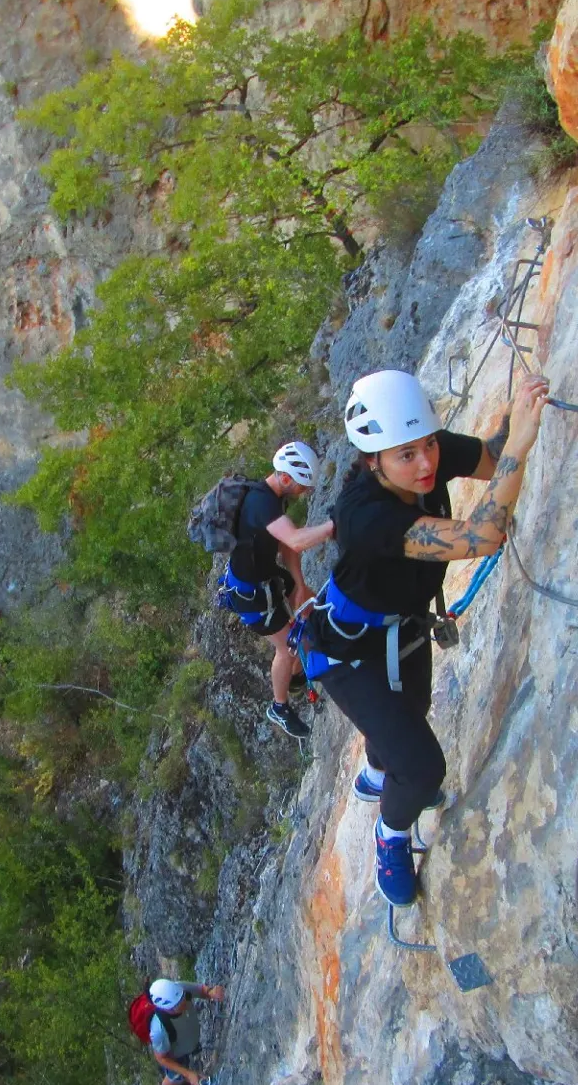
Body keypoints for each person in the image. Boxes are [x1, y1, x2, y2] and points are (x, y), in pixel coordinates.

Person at [312, 368, 550, 906]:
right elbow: (483, 535)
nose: (425, 465)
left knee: (410, 712)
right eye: (406, 455)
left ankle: (376, 773)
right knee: (421, 768)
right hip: (349, 652)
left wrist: (517, 415)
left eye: (427, 446)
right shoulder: (364, 516)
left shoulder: (425, 452)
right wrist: (522, 444)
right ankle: (391, 834)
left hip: (405, 632)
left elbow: (491, 458)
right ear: (373, 460)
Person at [222, 441, 333, 740]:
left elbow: (286, 546)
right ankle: (279, 706)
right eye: (302, 486)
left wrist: (299, 584)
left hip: (266, 580)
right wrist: (334, 527)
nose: (305, 493)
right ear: (285, 478)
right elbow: (296, 540)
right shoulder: (261, 504)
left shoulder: (273, 500)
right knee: (286, 649)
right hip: (251, 596)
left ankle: (298, 675)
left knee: (305, 614)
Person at [144, 978, 225, 1085]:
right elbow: (162, 1058)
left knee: (182, 1076)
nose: (184, 1003)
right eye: (178, 1004)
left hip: (186, 1043)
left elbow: (201, 990)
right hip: (174, 1055)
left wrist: (211, 992)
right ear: (167, 1009)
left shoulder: (180, 989)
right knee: (175, 1077)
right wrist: (187, 1073)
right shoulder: (159, 1030)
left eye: (183, 998)